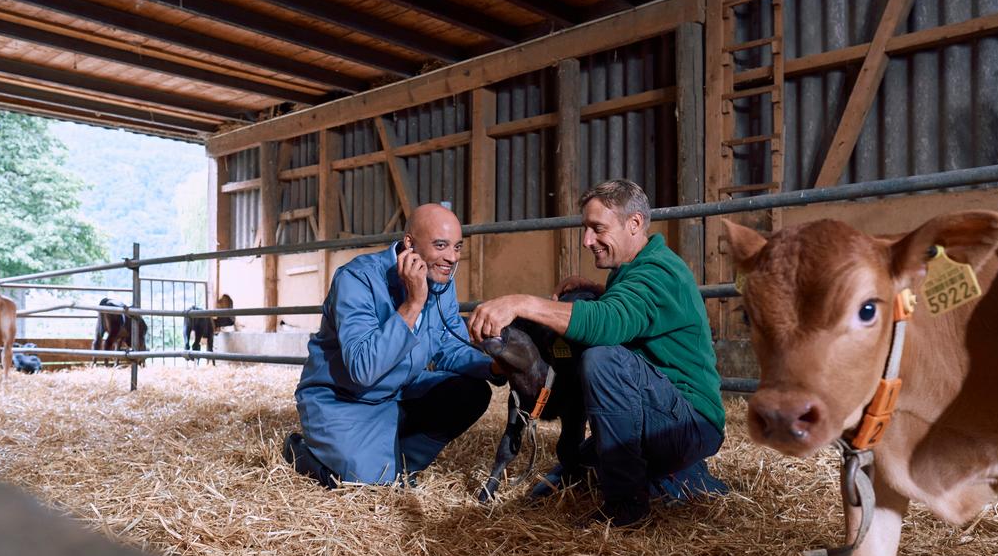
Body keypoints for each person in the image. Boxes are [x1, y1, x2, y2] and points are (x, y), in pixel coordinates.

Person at [467, 180, 726, 527]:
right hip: (661, 412)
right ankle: (675, 476)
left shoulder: (660, 273)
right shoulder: (633, 271)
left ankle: (627, 510)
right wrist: (599, 291)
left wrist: (522, 303)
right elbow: (637, 314)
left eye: (598, 229)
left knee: (602, 358)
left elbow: (609, 324)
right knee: (571, 475)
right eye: (585, 228)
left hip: (690, 421)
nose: (587, 241)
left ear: (634, 224)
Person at [285, 203, 501, 487]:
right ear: (409, 244)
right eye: (440, 245)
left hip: (396, 394)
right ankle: (300, 452)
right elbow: (362, 369)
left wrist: (494, 366)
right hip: (344, 400)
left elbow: (448, 345)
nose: (451, 257)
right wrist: (413, 303)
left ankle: (400, 464)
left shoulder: (441, 282)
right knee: (365, 486)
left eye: (457, 247)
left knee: (469, 392)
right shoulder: (358, 279)